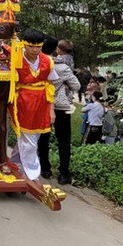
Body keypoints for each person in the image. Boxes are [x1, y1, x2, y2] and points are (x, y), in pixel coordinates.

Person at [9, 28, 59, 182]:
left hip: (42, 102)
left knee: (33, 138)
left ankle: (15, 162)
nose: (35, 50)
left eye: (38, 47)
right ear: (24, 44)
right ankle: (32, 174)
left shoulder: (48, 61)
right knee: (29, 139)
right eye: (31, 46)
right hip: (23, 101)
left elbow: (51, 85)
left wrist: (52, 110)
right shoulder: (16, 59)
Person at [38, 36, 80, 185]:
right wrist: (63, 84)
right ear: (55, 49)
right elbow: (77, 86)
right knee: (64, 141)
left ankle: (45, 169)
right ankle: (64, 173)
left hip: (43, 106)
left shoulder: (38, 65)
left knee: (43, 138)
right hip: (60, 106)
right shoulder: (62, 67)